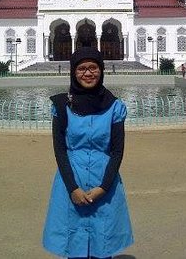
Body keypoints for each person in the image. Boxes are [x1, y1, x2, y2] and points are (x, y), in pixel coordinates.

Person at [43, 47, 133, 259]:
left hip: (105, 181)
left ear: (101, 70)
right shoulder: (62, 105)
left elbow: (117, 151)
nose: (88, 73)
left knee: (103, 245)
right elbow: (60, 150)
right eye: (82, 68)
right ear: (74, 72)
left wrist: (103, 187)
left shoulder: (114, 106)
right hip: (71, 181)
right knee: (75, 244)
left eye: (93, 67)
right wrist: (73, 188)